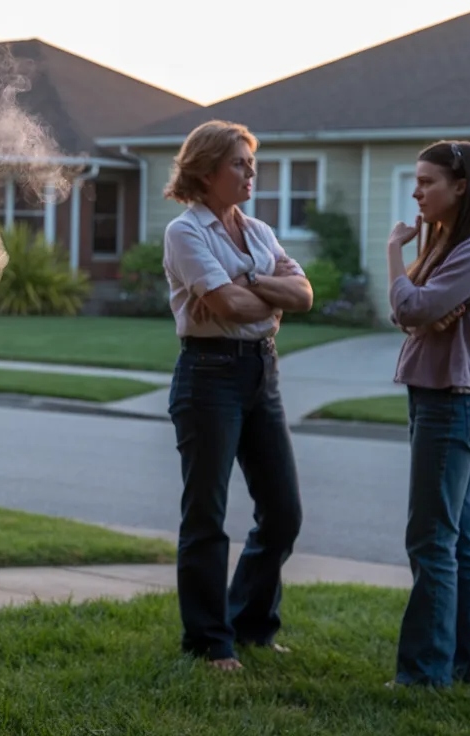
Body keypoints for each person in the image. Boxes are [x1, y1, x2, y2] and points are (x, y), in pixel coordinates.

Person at [159, 120, 314, 671]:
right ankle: (208, 641)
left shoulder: (260, 230)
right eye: (239, 164)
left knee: (283, 514)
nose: (251, 172)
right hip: (208, 377)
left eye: (252, 162)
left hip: (261, 375)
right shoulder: (186, 232)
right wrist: (262, 296)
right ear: (205, 171)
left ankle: (250, 624)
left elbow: (304, 293)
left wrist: (246, 287)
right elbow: (229, 309)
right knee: (206, 516)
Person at [386, 140, 470, 688]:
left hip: (450, 402)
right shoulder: (451, 244)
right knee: (459, 539)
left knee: (431, 540)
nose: (416, 192)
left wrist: (394, 250)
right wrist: (420, 309)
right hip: (441, 398)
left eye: (426, 182)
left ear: (461, 186)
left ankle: (423, 674)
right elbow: (413, 313)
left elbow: (408, 306)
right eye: (416, 182)